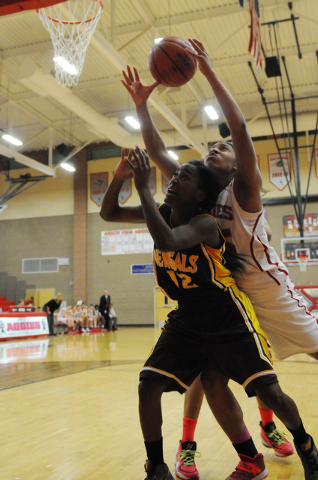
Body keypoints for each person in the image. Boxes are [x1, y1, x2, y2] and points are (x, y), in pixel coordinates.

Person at [120, 38, 318, 480]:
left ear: (236, 165)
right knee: (209, 378)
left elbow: (241, 130)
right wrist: (141, 106)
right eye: (213, 146)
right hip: (229, 296)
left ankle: (285, 436)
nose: (217, 147)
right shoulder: (198, 189)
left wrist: (208, 72)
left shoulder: (243, 191)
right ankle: (242, 452)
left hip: (270, 292)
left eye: (223, 148)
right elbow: (157, 154)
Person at [100, 146, 317, 480]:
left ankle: (305, 446)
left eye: (182, 177)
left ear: (200, 193)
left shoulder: (206, 223)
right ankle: (157, 466)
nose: (172, 181)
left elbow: (169, 241)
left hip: (226, 315)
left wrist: (143, 186)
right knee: (148, 384)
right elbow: (109, 213)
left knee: (268, 392)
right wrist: (119, 178)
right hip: (187, 318)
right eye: (172, 176)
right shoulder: (160, 212)